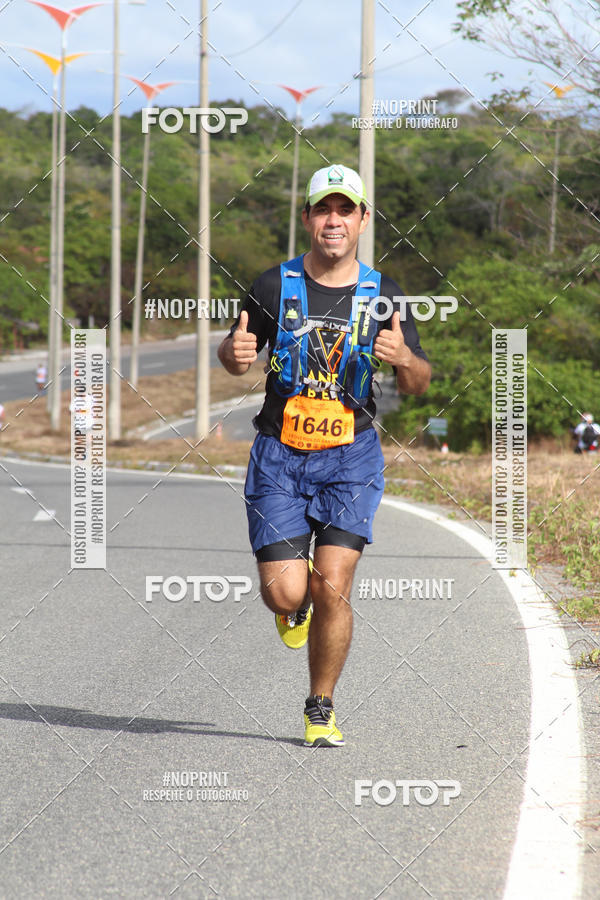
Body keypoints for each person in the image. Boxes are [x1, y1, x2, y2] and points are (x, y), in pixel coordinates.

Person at [218, 164, 431, 747]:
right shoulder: (271, 285)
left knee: (333, 583)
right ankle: (292, 610)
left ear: (363, 219)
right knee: (287, 593)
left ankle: (320, 706)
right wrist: (232, 354)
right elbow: (238, 352)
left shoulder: (384, 294)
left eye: (346, 210)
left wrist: (405, 360)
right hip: (279, 456)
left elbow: (418, 381)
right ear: (308, 218)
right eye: (323, 210)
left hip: (351, 457)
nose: (333, 221)